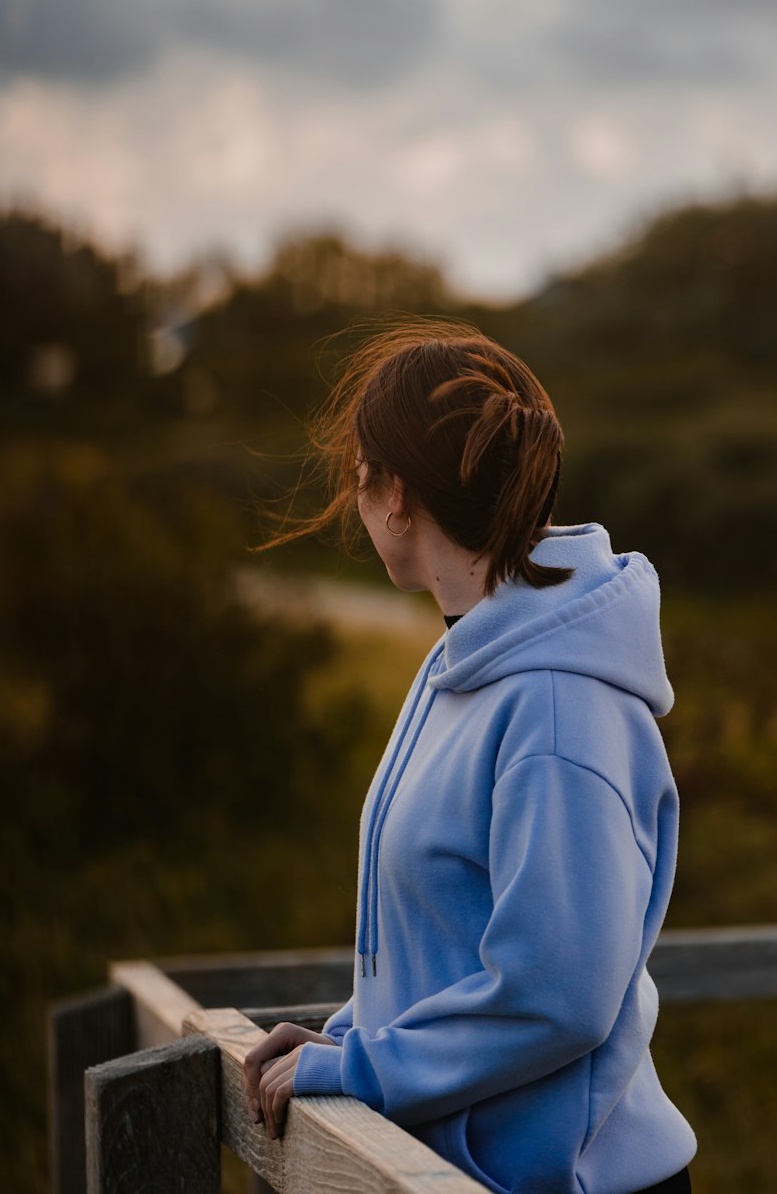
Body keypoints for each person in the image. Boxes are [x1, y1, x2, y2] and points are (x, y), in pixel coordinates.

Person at [243, 318, 697, 1194]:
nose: (355, 500)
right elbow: (448, 935)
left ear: (397, 494)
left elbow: (558, 991)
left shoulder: (556, 704)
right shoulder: (467, 659)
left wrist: (365, 1073)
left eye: (357, 476)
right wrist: (352, 1038)